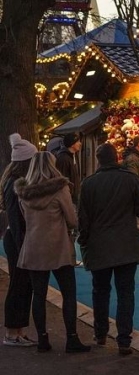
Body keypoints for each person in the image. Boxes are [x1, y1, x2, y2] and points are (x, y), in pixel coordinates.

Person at [78, 143, 139, 356]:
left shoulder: (89, 184)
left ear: (98, 160)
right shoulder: (130, 179)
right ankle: (124, 340)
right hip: (126, 244)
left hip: (99, 245)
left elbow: (83, 218)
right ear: (117, 158)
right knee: (125, 292)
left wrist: (84, 241)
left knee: (100, 291)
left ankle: (100, 333)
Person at [14, 151, 91, 353]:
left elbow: (24, 219)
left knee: (38, 295)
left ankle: (43, 339)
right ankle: (72, 339)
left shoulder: (23, 193)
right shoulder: (60, 189)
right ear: (52, 165)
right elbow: (72, 220)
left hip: (33, 248)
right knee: (68, 293)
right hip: (58, 248)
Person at [1, 134, 36, 347]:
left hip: (16, 240)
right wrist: (24, 244)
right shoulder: (15, 184)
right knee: (19, 285)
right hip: (18, 241)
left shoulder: (12, 181)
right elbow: (16, 219)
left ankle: (17, 331)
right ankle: (12, 332)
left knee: (22, 284)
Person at [55, 132, 82, 266]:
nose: (80, 143)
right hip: (69, 199)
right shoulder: (64, 159)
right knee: (71, 228)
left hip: (72, 197)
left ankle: (70, 257)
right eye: (78, 141)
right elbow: (63, 180)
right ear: (72, 143)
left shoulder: (71, 157)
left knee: (72, 230)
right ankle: (69, 258)